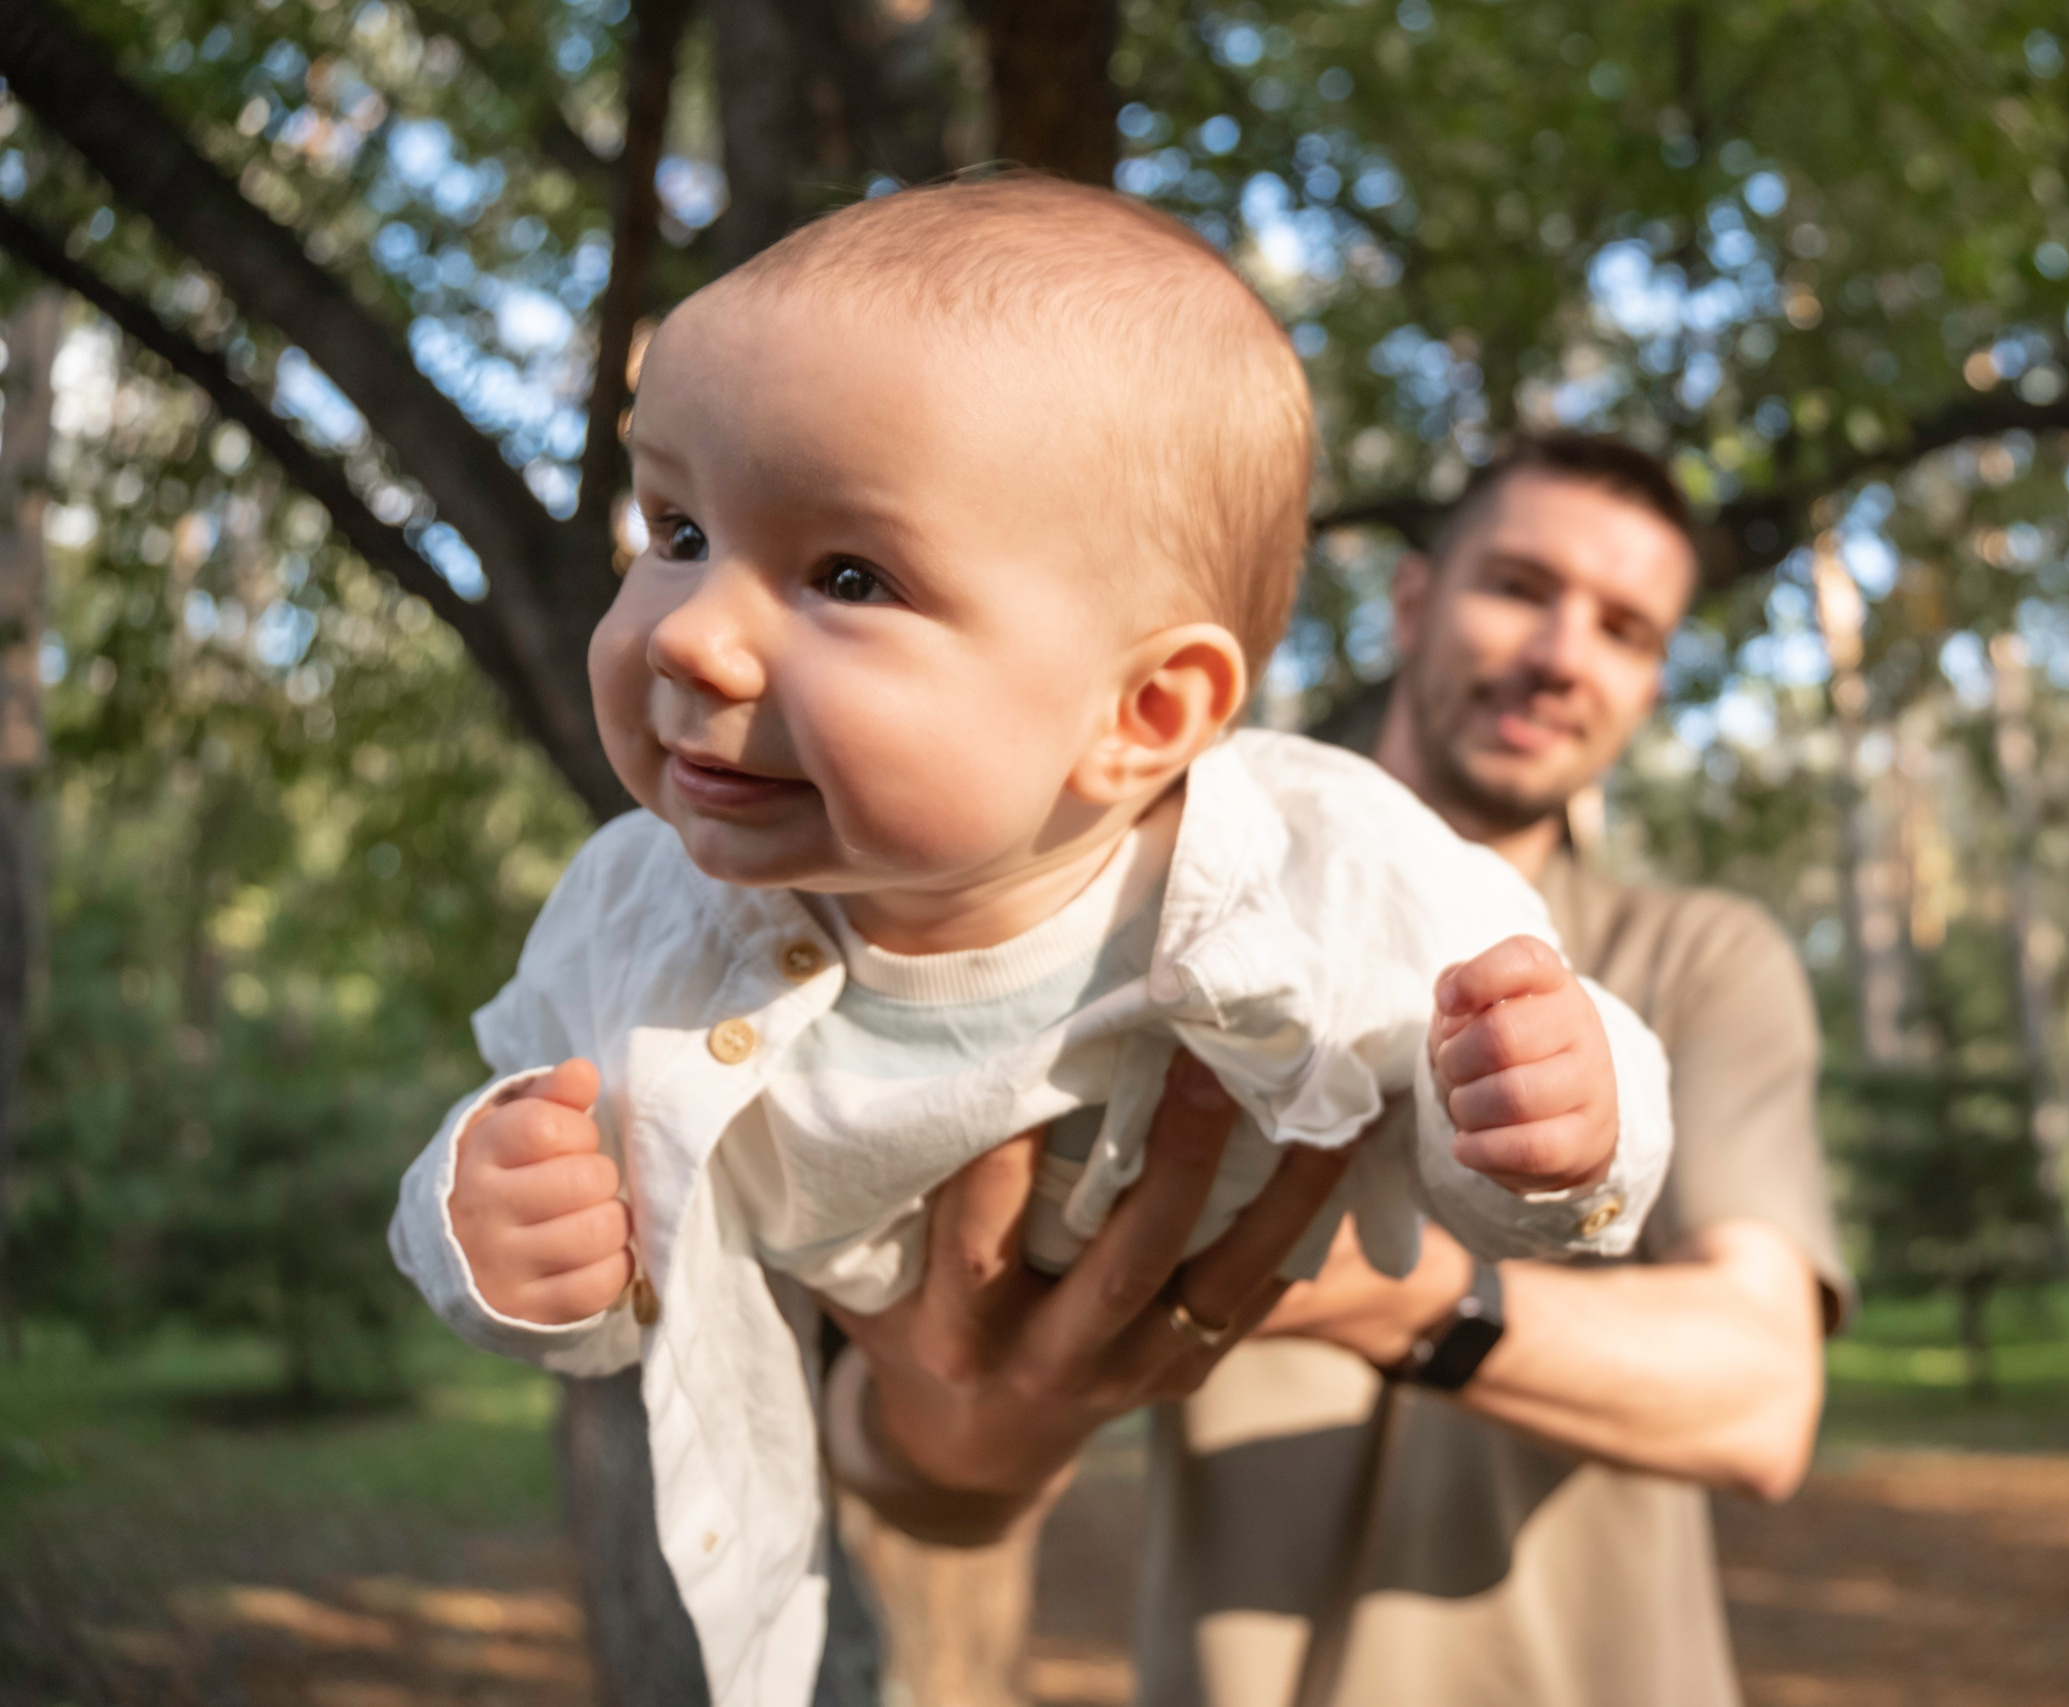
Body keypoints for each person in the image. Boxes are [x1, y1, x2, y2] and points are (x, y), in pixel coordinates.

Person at [385, 180, 1677, 1707]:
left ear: (1140, 717)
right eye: (675, 530)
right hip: (910, 1396)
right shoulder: (644, 909)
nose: (684, 630)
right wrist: (498, 1236)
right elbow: (578, 1223)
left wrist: (1553, 1124)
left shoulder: (1337, 864)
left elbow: (1503, 1142)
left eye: (847, 576)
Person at [828, 432, 1847, 1707]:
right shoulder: (1135, 908)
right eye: (1519, 588)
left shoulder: (1697, 958)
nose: (1560, 655)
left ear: (1651, 683)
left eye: (1625, 630)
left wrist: (1370, 1285)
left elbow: (1758, 1396)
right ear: (1412, 603)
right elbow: (912, 1467)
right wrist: (989, 1390)